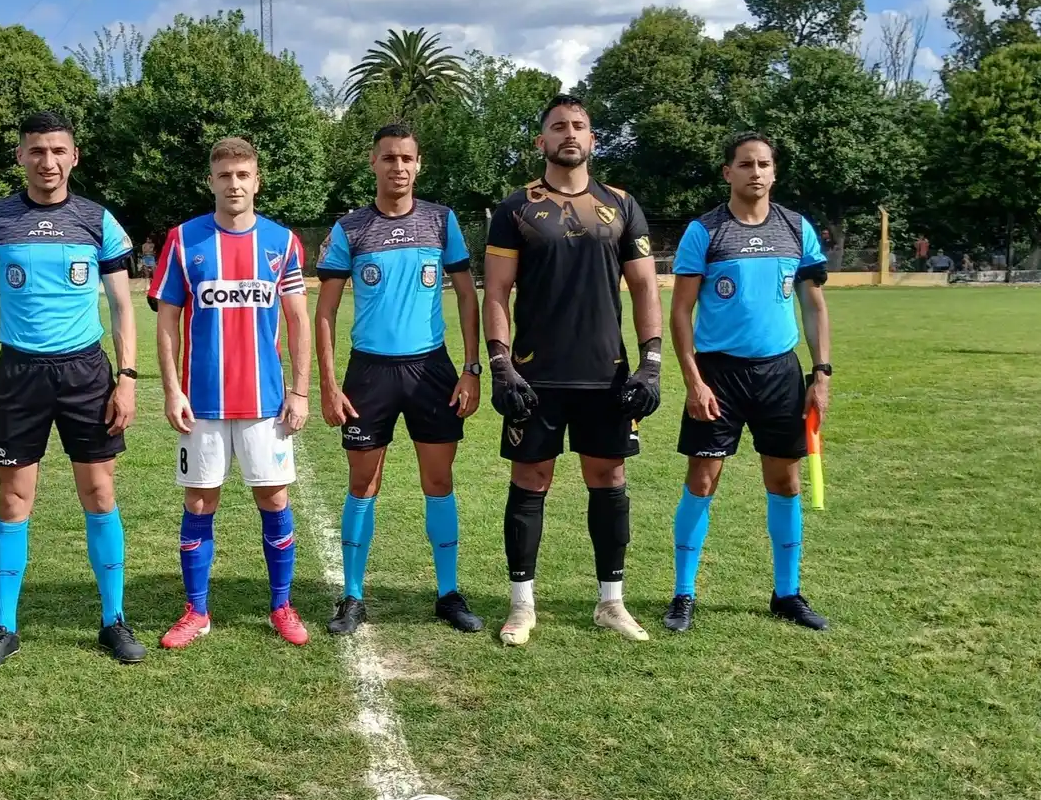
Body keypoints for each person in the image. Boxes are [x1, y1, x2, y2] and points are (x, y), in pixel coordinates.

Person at [0, 110, 145, 668]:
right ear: (20, 156)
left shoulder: (97, 220)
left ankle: (113, 620)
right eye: (36, 151)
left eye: (58, 151)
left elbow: (121, 307)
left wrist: (127, 379)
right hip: (19, 375)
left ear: (74, 157)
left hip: (86, 373)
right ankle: (4, 627)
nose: (48, 161)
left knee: (100, 494)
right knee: (14, 500)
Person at [483, 93, 663, 645]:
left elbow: (644, 286)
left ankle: (611, 602)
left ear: (592, 139)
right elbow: (497, 293)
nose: (569, 133)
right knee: (530, 480)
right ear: (541, 141)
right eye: (558, 126)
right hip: (536, 377)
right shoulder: (515, 210)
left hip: (606, 376)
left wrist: (652, 361)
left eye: (579, 125)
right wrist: (500, 365)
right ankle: (521, 606)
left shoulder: (622, 205)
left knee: (609, 479)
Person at [314, 123, 484, 635]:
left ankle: (449, 593)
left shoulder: (441, 221)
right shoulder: (350, 229)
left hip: (432, 369)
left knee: (439, 481)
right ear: (374, 163)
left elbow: (467, 296)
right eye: (389, 158)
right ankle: (352, 596)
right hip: (370, 372)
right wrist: (328, 382)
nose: (399, 168)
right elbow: (323, 311)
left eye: (407, 159)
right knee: (363, 484)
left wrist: (472, 368)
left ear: (418, 164)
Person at [148, 136, 313, 649]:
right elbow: (168, 322)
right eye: (225, 176)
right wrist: (173, 389)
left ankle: (281, 604)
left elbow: (299, 320)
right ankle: (196, 611)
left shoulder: (282, 242)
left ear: (256, 180)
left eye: (243, 175)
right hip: (202, 404)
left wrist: (301, 391)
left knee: (274, 497)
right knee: (199, 501)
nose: (234, 184)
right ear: (211, 181)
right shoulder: (183, 239)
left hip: (265, 402)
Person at [664, 131, 832, 633]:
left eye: (763, 164)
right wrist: (694, 381)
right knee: (703, 479)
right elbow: (680, 311)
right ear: (728, 172)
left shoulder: (797, 228)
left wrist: (820, 372)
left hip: (780, 372)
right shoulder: (705, 231)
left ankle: (787, 593)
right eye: (745, 164)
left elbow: (814, 306)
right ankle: (683, 594)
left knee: (784, 480)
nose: (755, 172)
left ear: (774, 172)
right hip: (719, 374)